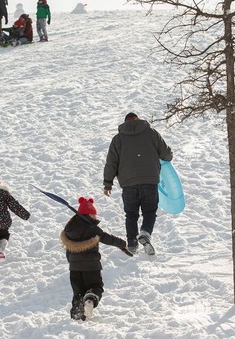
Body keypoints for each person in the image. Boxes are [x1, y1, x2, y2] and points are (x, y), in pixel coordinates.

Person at [103, 112, 173, 255]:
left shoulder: (118, 139)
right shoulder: (151, 133)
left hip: (128, 184)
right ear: (138, 120)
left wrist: (108, 183)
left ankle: (132, 244)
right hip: (149, 180)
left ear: (125, 122)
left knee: (131, 214)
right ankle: (145, 233)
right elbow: (166, 154)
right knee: (149, 211)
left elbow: (111, 163)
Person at [60, 196, 128, 321]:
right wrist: (122, 244)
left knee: (78, 292)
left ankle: (77, 315)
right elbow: (108, 239)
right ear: (90, 214)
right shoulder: (93, 229)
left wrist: (72, 263)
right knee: (96, 286)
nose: (95, 217)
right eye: (94, 215)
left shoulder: (69, 229)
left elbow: (68, 251)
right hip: (91, 266)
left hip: (74, 267)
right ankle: (90, 300)